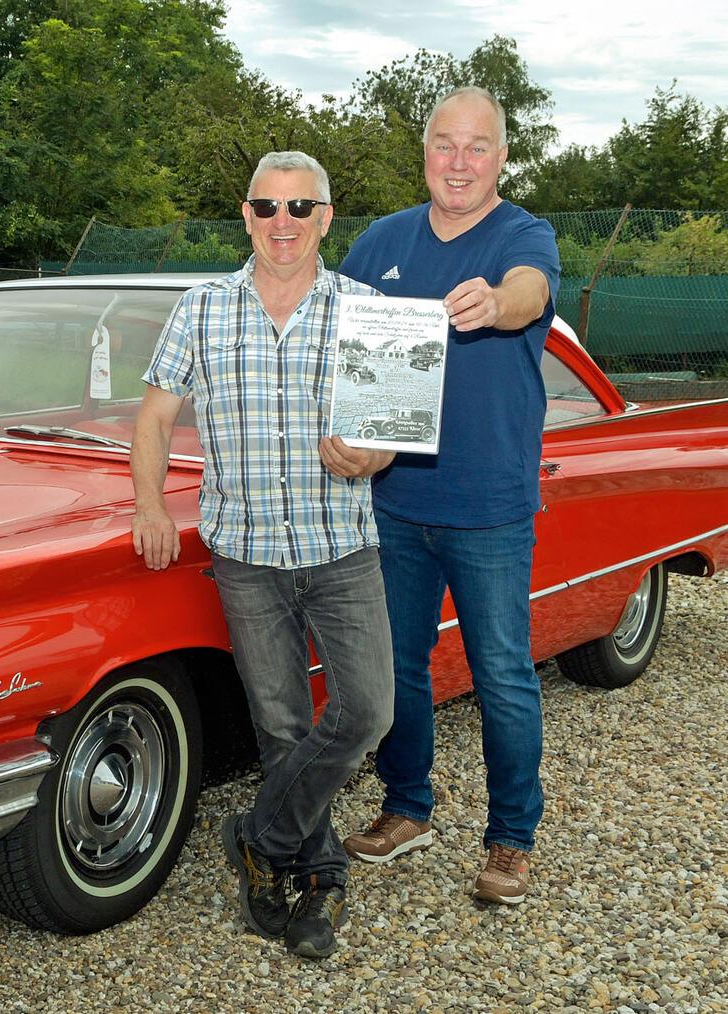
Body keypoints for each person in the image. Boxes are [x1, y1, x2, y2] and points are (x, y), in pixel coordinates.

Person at [131, 151, 395, 959]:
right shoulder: (201, 308)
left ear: (326, 218)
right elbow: (152, 417)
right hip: (245, 554)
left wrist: (371, 457)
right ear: (245, 217)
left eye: (301, 208)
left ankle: (258, 834)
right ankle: (314, 876)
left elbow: (387, 432)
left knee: (368, 711)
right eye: (268, 207)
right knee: (280, 724)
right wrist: (147, 504)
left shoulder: (368, 309)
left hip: (342, 546)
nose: (284, 223)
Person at [338, 86, 562, 906]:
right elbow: (339, 342)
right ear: (424, 152)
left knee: (502, 672)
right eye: (444, 144)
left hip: (489, 505)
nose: (459, 162)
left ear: (502, 156)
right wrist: (341, 434)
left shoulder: (521, 235)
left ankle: (510, 839)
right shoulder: (383, 240)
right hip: (392, 501)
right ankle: (407, 807)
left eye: (477, 146)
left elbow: (530, 293)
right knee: (398, 667)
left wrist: (499, 304)